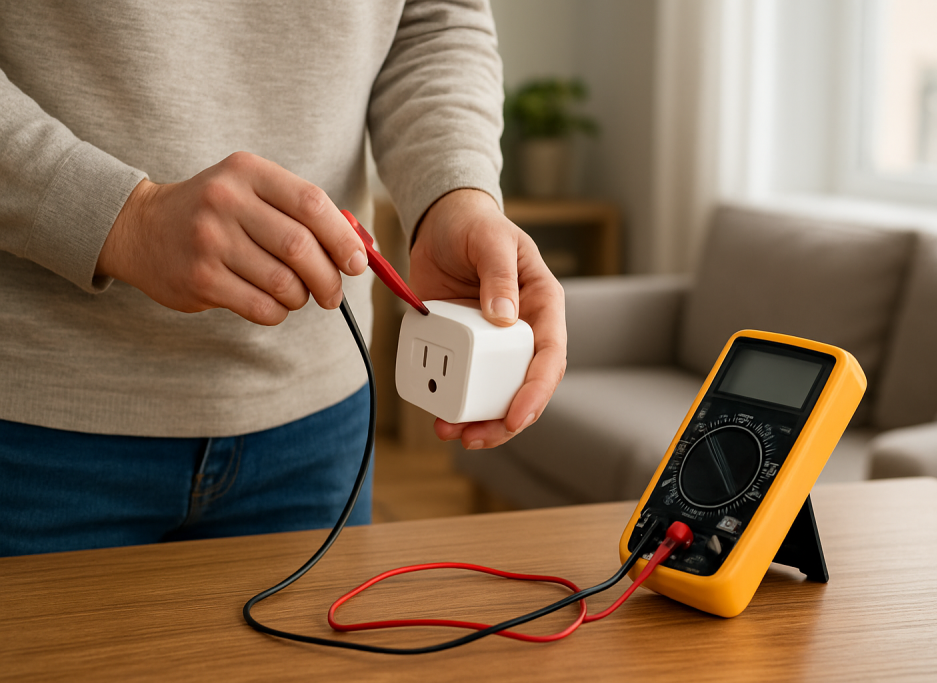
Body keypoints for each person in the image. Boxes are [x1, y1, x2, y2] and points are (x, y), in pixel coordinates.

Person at [0, 1, 566, 556]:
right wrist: (122, 219)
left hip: (321, 426)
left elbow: (431, 19)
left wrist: (453, 194)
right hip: (33, 428)